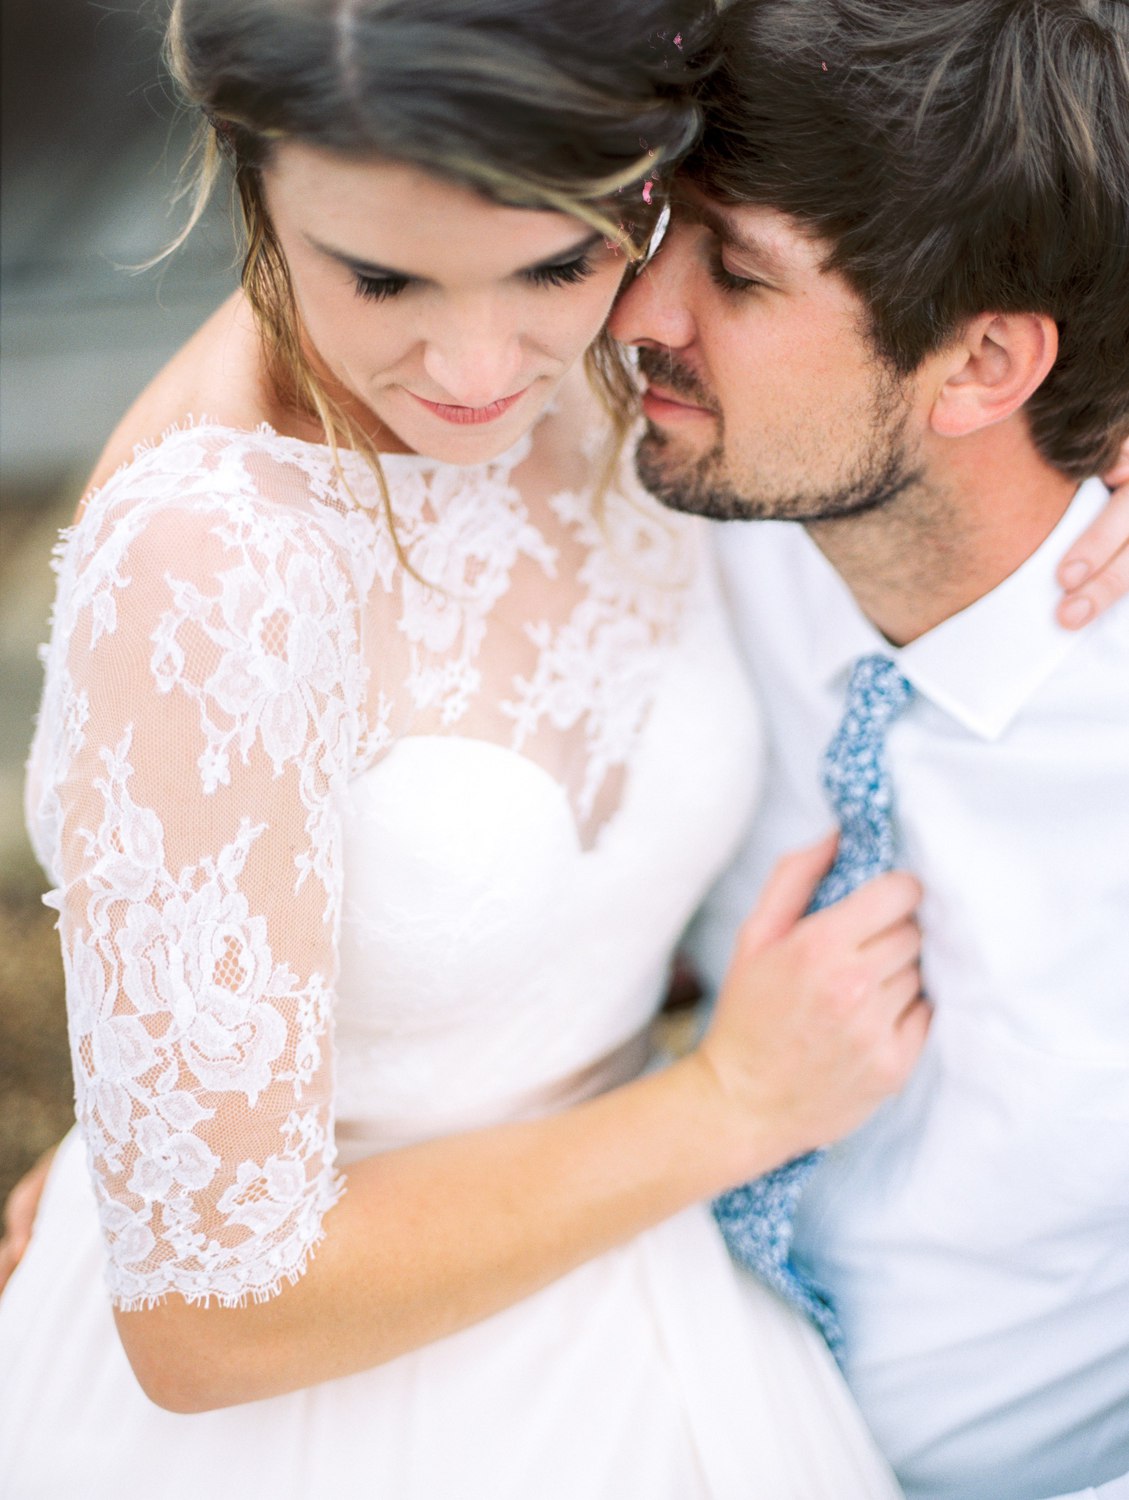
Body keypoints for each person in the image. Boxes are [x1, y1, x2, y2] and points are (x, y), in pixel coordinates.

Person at [0, 2, 936, 1496]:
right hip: (343, 1416)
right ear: (249, 171)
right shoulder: (214, 562)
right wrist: (733, 1102)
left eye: (556, 264)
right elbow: (204, 1325)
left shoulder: (643, 331)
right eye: (379, 277)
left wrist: (1088, 437)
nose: (477, 366)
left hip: (660, 1312)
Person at [607, 2, 1129, 1498]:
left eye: (738, 273)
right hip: (642, 1369)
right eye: (661, 232)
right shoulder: (702, 508)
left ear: (979, 366)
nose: (638, 314)